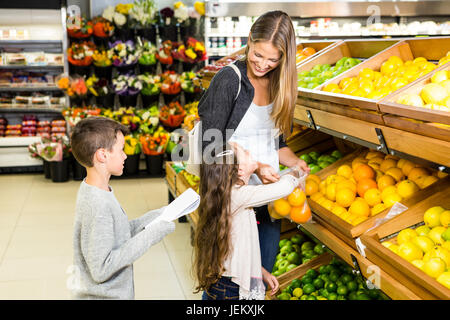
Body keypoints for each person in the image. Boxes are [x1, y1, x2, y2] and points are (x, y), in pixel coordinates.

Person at [197, 11, 310, 275]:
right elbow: (210, 146)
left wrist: (295, 163)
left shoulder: (281, 85)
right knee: (227, 278)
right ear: (249, 39)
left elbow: (277, 143)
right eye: (258, 54)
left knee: (261, 277)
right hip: (231, 200)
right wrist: (257, 166)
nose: (262, 64)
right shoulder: (229, 80)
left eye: (273, 59)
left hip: (269, 200)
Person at [70, 116, 175, 299]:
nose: (126, 155)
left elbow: (119, 233)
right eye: (121, 150)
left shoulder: (96, 189)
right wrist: (151, 235)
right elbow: (101, 269)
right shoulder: (98, 204)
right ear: (102, 155)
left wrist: (157, 216)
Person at [192, 142, 302, 300]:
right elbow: (283, 188)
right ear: (240, 169)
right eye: (245, 152)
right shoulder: (236, 195)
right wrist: (294, 174)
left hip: (224, 281)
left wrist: (260, 271)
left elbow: (239, 249)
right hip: (229, 288)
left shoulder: (225, 193)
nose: (249, 150)